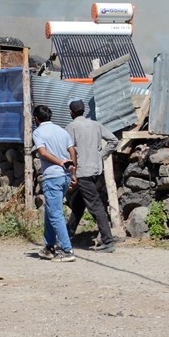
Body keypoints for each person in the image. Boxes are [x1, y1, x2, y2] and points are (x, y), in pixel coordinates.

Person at [65, 99, 118, 253]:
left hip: (82, 171)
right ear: (84, 110)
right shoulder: (95, 124)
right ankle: (67, 234)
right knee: (79, 205)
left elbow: (68, 149)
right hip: (95, 170)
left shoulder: (71, 127)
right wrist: (100, 155)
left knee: (95, 206)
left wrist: (70, 168)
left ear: (71, 112)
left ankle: (108, 240)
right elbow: (113, 140)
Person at [31, 104, 77, 262]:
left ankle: (67, 250)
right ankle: (49, 247)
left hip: (53, 176)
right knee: (51, 210)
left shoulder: (38, 132)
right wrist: (73, 171)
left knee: (55, 213)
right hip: (65, 177)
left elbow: (42, 152)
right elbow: (72, 150)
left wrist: (59, 163)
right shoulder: (62, 131)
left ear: (36, 118)